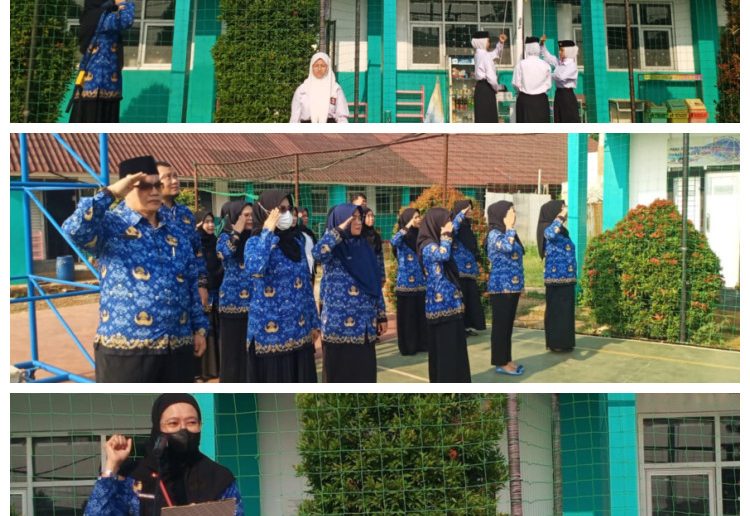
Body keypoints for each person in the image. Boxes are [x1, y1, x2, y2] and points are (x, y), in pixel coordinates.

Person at [62, 156, 207, 382]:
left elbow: (190, 281)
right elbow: (74, 230)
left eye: (157, 185)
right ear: (127, 188)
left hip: (177, 346)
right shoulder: (111, 225)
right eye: (145, 186)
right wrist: (110, 193)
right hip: (126, 350)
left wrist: (199, 329)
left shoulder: (175, 232)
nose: (155, 191)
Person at [84, 394, 244, 515]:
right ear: (158, 429)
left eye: (192, 422)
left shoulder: (218, 477)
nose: (183, 429)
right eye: (173, 423)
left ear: (200, 426)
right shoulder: (133, 476)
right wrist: (112, 466)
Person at [244, 190, 320, 382]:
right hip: (270, 337)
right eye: (281, 209)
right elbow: (255, 269)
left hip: (300, 331)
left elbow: (305, 284)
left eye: (289, 209)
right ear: (266, 212)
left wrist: (314, 323)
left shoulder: (296, 242)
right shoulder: (254, 242)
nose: (287, 214)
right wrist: (267, 232)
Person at [313, 204, 388, 382]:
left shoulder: (364, 247)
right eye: (352, 218)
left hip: (364, 327)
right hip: (337, 328)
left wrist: (381, 314)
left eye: (359, 218)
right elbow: (317, 253)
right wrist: (338, 231)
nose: (358, 222)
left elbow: (374, 282)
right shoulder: (333, 248)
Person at [418, 207, 471, 383]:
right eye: (446, 221)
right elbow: (443, 255)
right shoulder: (427, 246)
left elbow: (453, 229)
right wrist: (446, 236)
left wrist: (461, 215)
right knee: (445, 349)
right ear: (437, 224)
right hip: (440, 307)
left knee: (455, 348)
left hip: (452, 304)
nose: (450, 225)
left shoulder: (438, 241)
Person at [69, 0, 135, 123]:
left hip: (97, 85)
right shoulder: (102, 18)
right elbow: (126, 20)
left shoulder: (92, 16)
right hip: (99, 85)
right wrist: (126, 2)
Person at [157, 161, 209, 308]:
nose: (175, 181)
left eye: (176, 176)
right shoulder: (150, 214)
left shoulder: (185, 213)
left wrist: (202, 285)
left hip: (188, 290)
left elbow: (197, 251)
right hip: (160, 293)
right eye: (168, 177)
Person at [486, 201, 525, 376]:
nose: (514, 215)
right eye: (510, 211)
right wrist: (509, 227)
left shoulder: (508, 233)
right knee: (501, 327)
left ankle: (507, 359)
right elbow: (508, 248)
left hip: (513, 286)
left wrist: (520, 285)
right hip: (501, 287)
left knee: (508, 326)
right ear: (501, 214)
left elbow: (517, 258)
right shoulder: (494, 234)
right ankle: (500, 362)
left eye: (514, 211)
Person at [216, 201, 253, 382]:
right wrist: (236, 232)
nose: (250, 218)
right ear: (234, 218)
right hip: (231, 304)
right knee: (232, 351)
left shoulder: (254, 238)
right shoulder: (224, 237)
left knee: (250, 351)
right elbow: (224, 254)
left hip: (253, 304)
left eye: (252, 215)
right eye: (245, 215)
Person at [537, 200, 577, 352]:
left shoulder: (561, 230)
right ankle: (555, 343)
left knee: (566, 313)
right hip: (556, 279)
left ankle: (565, 342)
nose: (564, 212)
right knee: (556, 312)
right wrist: (560, 217)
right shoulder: (549, 229)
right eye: (561, 209)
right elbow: (550, 234)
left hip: (568, 278)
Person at [390, 208, 429, 356]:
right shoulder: (402, 238)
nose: (418, 219)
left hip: (421, 283)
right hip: (406, 284)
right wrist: (407, 227)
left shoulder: (421, 236)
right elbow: (393, 241)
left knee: (421, 316)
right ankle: (409, 346)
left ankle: (422, 344)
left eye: (419, 217)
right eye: (415, 217)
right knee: (408, 317)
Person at [450, 200, 486, 336]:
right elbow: (451, 231)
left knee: (470, 300)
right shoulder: (455, 225)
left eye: (470, 209)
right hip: (459, 271)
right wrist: (460, 215)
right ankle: (459, 328)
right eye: (467, 209)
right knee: (461, 299)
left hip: (469, 271)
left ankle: (466, 326)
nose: (470, 212)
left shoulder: (467, 227)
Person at [195, 210, 222, 381]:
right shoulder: (196, 244)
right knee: (204, 331)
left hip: (217, 293)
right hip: (202, 294)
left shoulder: (216, 243)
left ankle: (216, 369)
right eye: (206, 222)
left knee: (216, 331)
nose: (211, 225)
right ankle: (202, 371)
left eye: (212, 221)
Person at [290, 52, 349, 123]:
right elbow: (295, 117)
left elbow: (342, 116)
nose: (319, 69)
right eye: (316, 66)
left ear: (328, 68)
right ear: (311, 67)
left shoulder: (335, 89)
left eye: (323, 66)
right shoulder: (302, 90)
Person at [540, 36, 580, 123]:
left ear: (568, 51)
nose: (559, 52)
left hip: (567, 95)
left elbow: (561, 76)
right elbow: (547, 57)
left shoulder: (572, 65)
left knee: (568, 119)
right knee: (558, 118)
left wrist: (548, 74)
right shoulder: (560, 63)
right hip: (558, 94)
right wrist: (542, 44)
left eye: (562, 50)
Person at [512, 36, 552, 123]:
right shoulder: (546, 65)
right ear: (538, 47)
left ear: (527, 48)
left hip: (524, 101)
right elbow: (549, 85)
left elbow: (516, 84)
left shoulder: (520, 64)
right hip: (541, 101)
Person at [471, 31, 507, 123]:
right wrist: (496, 88)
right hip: (487, 89)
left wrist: (501, 43)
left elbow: (495, 53)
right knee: (489, 118)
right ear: (482, 42)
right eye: (488, 41)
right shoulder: (485, 55)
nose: (489, 43)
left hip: (479, 89)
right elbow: (491, 78)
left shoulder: (478, 54)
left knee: (481, 118)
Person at [361, 207, 386, 286]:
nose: (372, 218)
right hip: (363, 275)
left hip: (376, 273)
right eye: (368, 216)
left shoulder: (376, 236)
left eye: (372, 216)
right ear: (363, 218)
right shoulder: (359, 236)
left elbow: (380, 257)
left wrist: (383, 276)